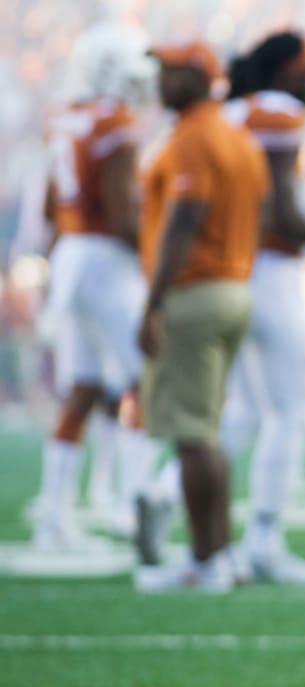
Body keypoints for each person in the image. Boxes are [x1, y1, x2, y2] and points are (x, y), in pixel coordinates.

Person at [132, 38, 270, 593]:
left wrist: (154, 299)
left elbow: (185, 217)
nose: (161, 81)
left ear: (198, 77)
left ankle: (206, 558)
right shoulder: (237, 135)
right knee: (205, 432)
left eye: (171, 71)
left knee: (192, 435)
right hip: (233, 286)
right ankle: (220, 555)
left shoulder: (193, 136)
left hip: (194, 289)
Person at [215, 30, 305, 585]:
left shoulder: (228, 112)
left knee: (244, 411)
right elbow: (284, 211)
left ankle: (161, 493)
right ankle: (263, 540)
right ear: (288, 69)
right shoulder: (279, 113)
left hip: (227, 272)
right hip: (269, 274)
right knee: (289, 412)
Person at [30, 21, 159, 551]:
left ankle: (54, 516)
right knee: (143, 382)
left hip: (71, 256)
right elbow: (120, 212)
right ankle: (131, 507)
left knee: (83, 386)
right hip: (105, 257)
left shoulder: (63, 117)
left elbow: (47, 208)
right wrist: (157, 262)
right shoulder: (115, 123)